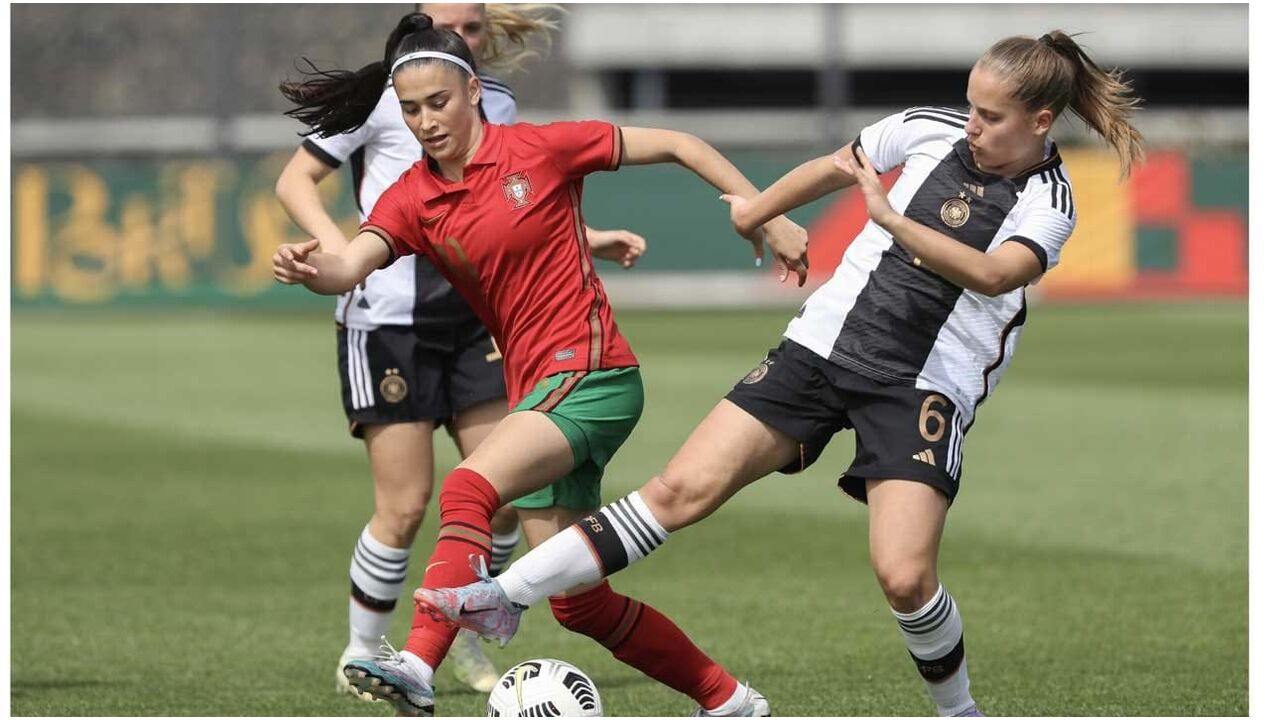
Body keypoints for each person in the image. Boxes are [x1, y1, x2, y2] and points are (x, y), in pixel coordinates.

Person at [415, 30, 1146, 717]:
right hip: (820, 349)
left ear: (1041, 120)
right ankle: (502, 596)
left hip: (921, 386)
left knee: (904, 576)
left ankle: (959, 710)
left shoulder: (1051, 200)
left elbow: (993, 274)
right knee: (678, 489)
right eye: (970, 105)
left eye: (990, 116)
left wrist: (891, 221)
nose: (972, 125)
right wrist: (759, 212)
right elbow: (835, 166)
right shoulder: (926, 126)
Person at [272, 12, 809, 718]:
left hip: (594, 376)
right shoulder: (413, 198)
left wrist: (767, 213)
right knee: (580, 606)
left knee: (467, 487)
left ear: (472, 94)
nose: (426, 121)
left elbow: (679, 141)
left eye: (439, 103)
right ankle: (729, 701)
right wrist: (310, 269)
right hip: (540, 391)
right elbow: (348, 264)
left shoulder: (539, 149)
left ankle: (418, 663)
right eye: (411, 110)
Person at [275, 3, 646, 698]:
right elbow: (295, 179)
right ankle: (363, 653)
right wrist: (337, 257)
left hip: (479, 322)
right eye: (450, 27)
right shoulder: (394, 97)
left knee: (499, 496)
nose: (466, 40)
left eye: (474, 29)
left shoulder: (493, 103)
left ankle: (468, 640)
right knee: (408, 502)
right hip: (386, 321)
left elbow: (513, 198)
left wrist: (587, 238)